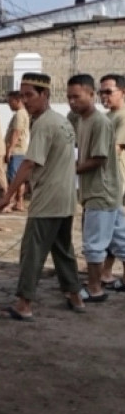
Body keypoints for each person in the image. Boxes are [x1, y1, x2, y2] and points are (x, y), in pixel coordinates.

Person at [0, 73, 85, 320]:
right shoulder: (61, 121)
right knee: (63, 250)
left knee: (32, 252)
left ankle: (24, 304)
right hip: (65, 199)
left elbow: (28, 164)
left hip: (48, 200)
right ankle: (75, 296)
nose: (25, 101)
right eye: (22, 96)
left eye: (30, 95)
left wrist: (7, 196)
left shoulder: (45, 124)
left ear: (44, 95)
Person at [69, 73, 125, 303]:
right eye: (69, 97)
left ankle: (94, 288)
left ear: (89, 95)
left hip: (102, 190)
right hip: (106, 190)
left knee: (94, 244)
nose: (72, 101)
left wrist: (70, 170)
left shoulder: (100, 122)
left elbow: (99, 158)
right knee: (120, 240)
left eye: (77, 97)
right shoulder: (83, 119)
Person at [97, 74, 125, 288]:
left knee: (119, 232)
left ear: (122, 92)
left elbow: (112, 149)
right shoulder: (107, 117)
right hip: (107, 182)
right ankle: (105, 273)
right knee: (110, 232)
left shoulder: (123, 117)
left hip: (119, 184)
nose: (103, 96)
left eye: (109, 91)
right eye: (101, 92)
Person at [4, 91, 30, 211]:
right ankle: (19, 202)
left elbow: (16, 132)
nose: (9, 104)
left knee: (14, 178)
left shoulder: (20, 114)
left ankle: (10, 202)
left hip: (17, 150)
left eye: (10, 102)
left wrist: (10, 149)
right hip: (21, 150)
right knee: (20, 177)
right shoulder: (24, 113)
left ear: (17, 100)